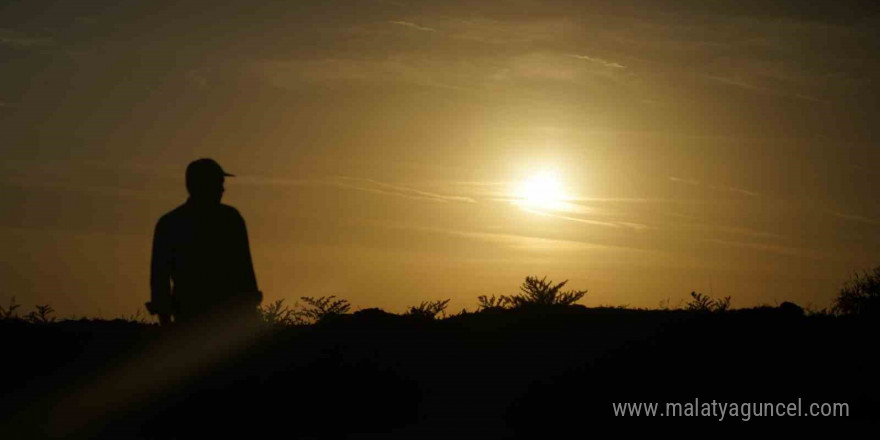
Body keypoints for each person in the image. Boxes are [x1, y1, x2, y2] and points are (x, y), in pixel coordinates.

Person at [147, 158, 262, 326]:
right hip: (207, 316)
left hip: (214, 316)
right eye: (218, 183)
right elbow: (160, 276)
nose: (222, 189)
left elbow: (244, 267)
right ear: (201, 185)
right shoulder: (230, 219)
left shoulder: (170, 222)